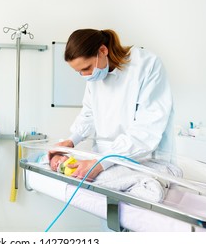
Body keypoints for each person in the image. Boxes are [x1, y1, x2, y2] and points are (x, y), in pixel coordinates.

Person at [49, 28, 175, 182]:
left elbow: (146, 129)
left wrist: (100, 163)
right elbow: (90, 113)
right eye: (79, 72)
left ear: (103, 50)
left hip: (145, 160)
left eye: (86, 68)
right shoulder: (95, 75)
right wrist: (71, 141)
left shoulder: (147, 65)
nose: (84, 75)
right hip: (102, 160)